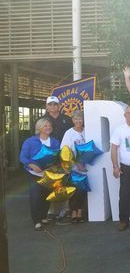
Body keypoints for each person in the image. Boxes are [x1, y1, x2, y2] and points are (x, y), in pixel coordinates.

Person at [19, 118, 60, 231]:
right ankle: (36, 221)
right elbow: (22, 157)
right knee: (36, 197)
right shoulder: (30, 141)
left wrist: (55, 166)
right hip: (33, 173)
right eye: (45, 126)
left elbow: (58, 157)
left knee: (46, 196)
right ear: (39, 128)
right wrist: (32, 165)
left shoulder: (55, 142)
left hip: (48, 174)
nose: (48, 127)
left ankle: (43, 217)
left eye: (49, 126)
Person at [38, 96, 73, 224]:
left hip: (65, 157)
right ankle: (51, 210)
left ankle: (65, 210)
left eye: (55, 104)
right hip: (49, 157)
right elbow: (37, 138)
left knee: (65, 182)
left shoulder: (67, 119)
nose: (53, 107)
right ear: (46, 106)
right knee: (52, 183)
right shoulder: (41, 120)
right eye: (50, 104)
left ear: (59, 106)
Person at [60, 110, 88, 223]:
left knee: (82, 189)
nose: (78, 121)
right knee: (74, 190)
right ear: (72, 120)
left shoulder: (87, 131)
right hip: (74, 166)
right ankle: (73, 212)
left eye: (80, 119)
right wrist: (76, 163)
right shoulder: (69, 133)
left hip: (87, 165)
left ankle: (80, 211)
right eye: (76, 119)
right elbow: (65, 151)